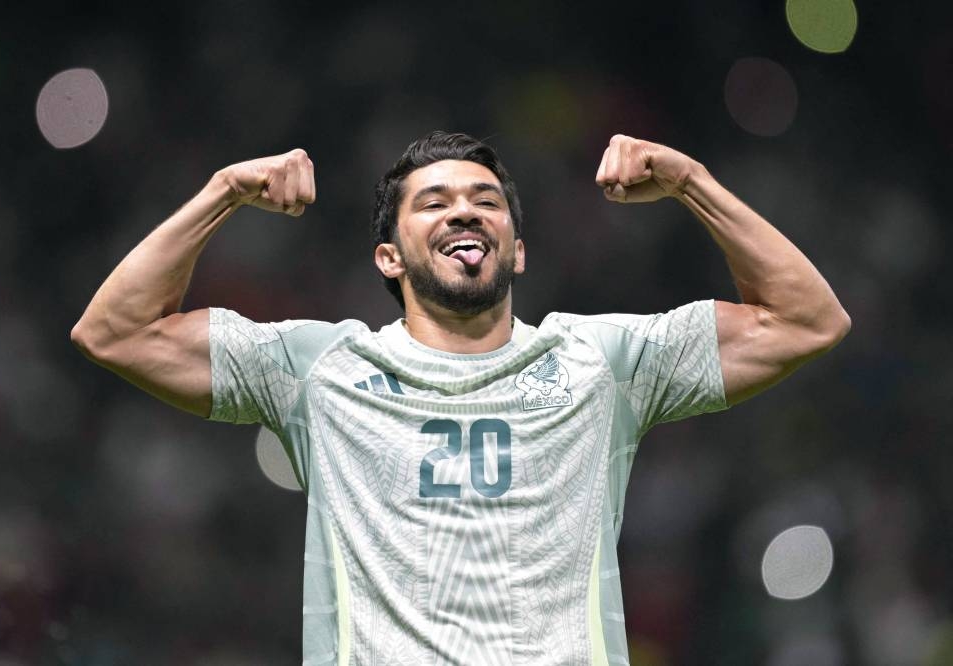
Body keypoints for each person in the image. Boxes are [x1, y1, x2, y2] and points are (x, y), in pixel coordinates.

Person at [72, 131, 850, 665]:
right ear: (390, 256)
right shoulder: (320, 367)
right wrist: (223, 192)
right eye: (433, 202)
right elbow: (117, 332)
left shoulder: (599, 360)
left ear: (517, 247)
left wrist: (692, 183)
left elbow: (806, 319)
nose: (463, 210)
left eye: (484, 199)